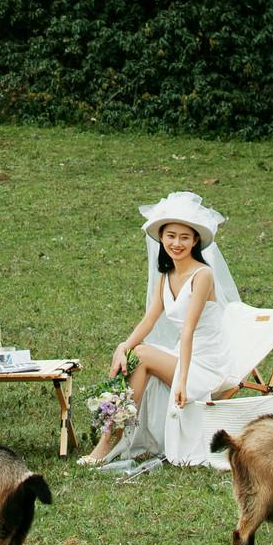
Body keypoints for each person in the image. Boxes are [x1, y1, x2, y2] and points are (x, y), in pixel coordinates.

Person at [78, 192, 236, 467]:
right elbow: (149, 320)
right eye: (171, 236)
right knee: (134, 355)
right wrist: (122, 347)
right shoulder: (166, 275)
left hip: (205, 365)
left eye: (184, 237)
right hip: (183, 356)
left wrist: (182, 380)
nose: (177, 243)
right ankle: (117, 435)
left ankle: (109, 440)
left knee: (142, 355)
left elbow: (188, 330)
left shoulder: (202, 275)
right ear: (161, 238)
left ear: (195, 241)